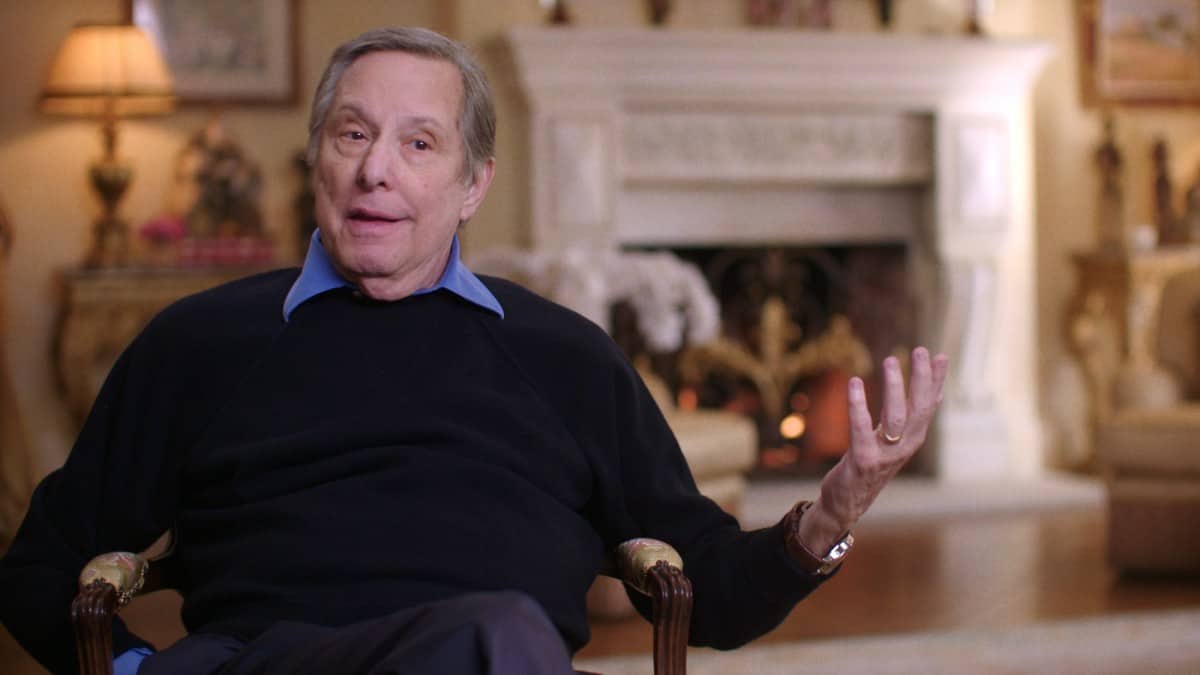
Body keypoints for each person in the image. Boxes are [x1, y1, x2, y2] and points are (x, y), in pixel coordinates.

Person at [0, 27, 948, 675]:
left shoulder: (564, 357)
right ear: (317, 158)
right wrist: (132, 666)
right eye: (353, 134)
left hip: (494, 657)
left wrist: (833, 511)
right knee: (502, 638)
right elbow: (36, 567)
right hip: (271, 661)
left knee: (496, 639)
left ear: (472, 184)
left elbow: (708, 593)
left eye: (419, 144)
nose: (376, 168)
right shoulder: (201, 342)